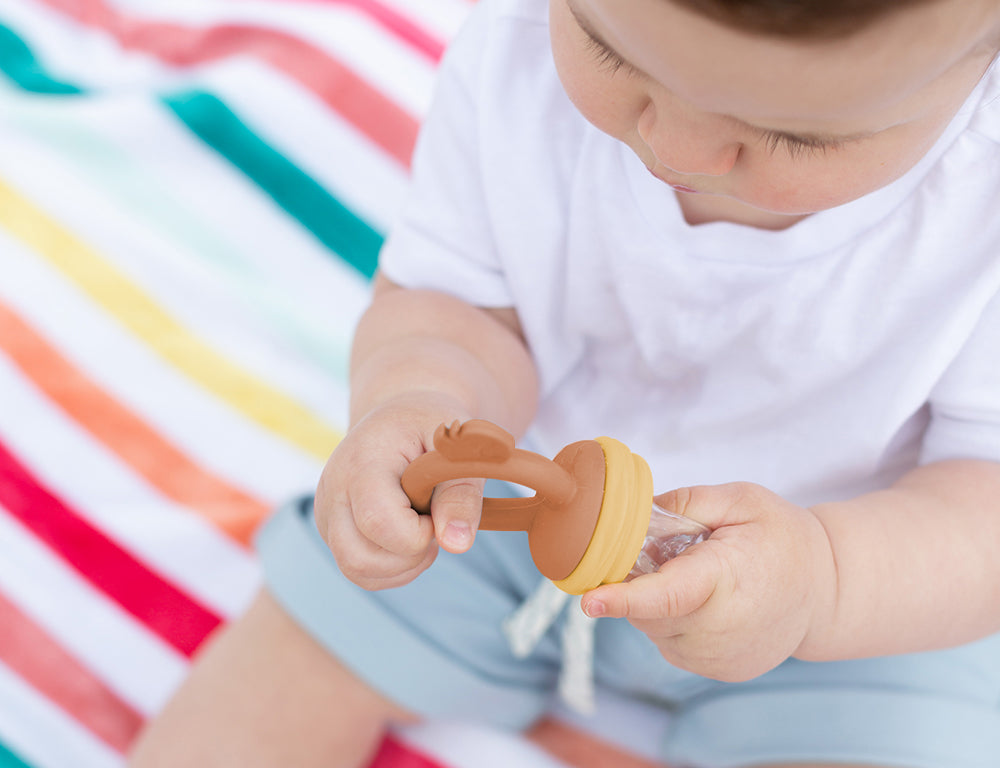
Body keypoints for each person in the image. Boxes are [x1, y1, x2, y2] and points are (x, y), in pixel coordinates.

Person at [129, 0, 1000, 766]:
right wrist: (421, 404)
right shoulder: (514, 55)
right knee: (279, 676)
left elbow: (982, 503)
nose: (675, 145)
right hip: (509, 500)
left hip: (870, 586)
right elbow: (460, 304)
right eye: (613, 50)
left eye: (798, 133)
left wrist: (825, 585)